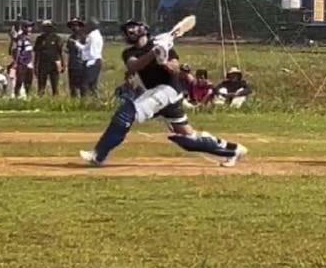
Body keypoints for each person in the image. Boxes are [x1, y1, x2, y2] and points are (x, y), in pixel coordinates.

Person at [80, 20, 247, 167]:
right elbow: (134, 66)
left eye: (132, 27)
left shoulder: (164, 44)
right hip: (155, 92)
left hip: (168, 90)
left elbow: (175, 67)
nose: (129, 32)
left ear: (143, 29)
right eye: (126, 30)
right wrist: (154, 53)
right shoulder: (130, 53)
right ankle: (234, 150)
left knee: (125, 114)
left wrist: (164, 61)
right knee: (189, 139)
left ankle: (98, 155)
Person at [73, 17, 103, 97]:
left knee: (84, 84)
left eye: (88, 25)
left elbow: (91, 52)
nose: (86, 27)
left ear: (92, 26)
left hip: (92, 62)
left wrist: (87, 62)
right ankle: (95, 103)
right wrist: (78, 44)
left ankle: (84, 103)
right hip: (96, 61)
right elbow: (86, 47)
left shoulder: (92, 36)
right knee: (92, 85)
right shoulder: (97, 35)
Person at [34, 20, 65, 96]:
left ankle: (55, 102)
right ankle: (40, 101)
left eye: (48, 27)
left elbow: (60, 52)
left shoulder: (57, 38)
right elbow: (36, 53)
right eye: (45, 28)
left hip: (54, 64)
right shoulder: (40, 39)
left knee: (55, 86)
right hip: (42, 64)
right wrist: (35, 66)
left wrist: (63, 64)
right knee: (41, 86)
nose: (46, 29)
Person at [12, 21, 35, 99]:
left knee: (29, 81)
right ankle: (16, 96)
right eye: (28, 27)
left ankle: (28, 96)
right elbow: (18, 50)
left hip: (29, 62)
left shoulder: (28, 38)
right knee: (20, 80)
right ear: (24, 28)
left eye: (30, 27)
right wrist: (16, 62)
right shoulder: (21, 38)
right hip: (22, 62)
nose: (30, 29)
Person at [66, 18, 86, 97]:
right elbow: (68, 49)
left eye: (76, 25)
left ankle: (84, 103)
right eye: (72, 26)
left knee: (83, 86)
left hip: (82, 65)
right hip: (72, 65)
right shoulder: (70, 38)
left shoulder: (84, 38)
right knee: (72, 86)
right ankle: (73, 103)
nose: (74, 27)